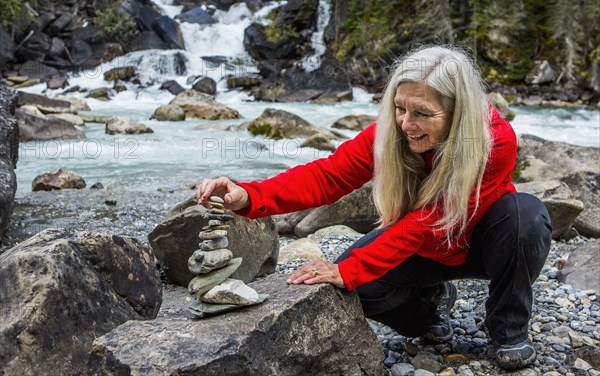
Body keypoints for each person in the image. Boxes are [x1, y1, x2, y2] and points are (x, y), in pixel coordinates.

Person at [196, 45, 552, 370]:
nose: (406, 124)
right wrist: (250, 195)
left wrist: (350, 268)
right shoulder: (391, 132)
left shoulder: (496, 140)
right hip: (423, 249)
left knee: (527, 218)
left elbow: (432, 219)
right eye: (400, 108)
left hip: (487, 243)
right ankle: (431, 308)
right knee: (358, 290)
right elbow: (328, 176)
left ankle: (507, 329)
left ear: (457, 113)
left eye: (422, 114)